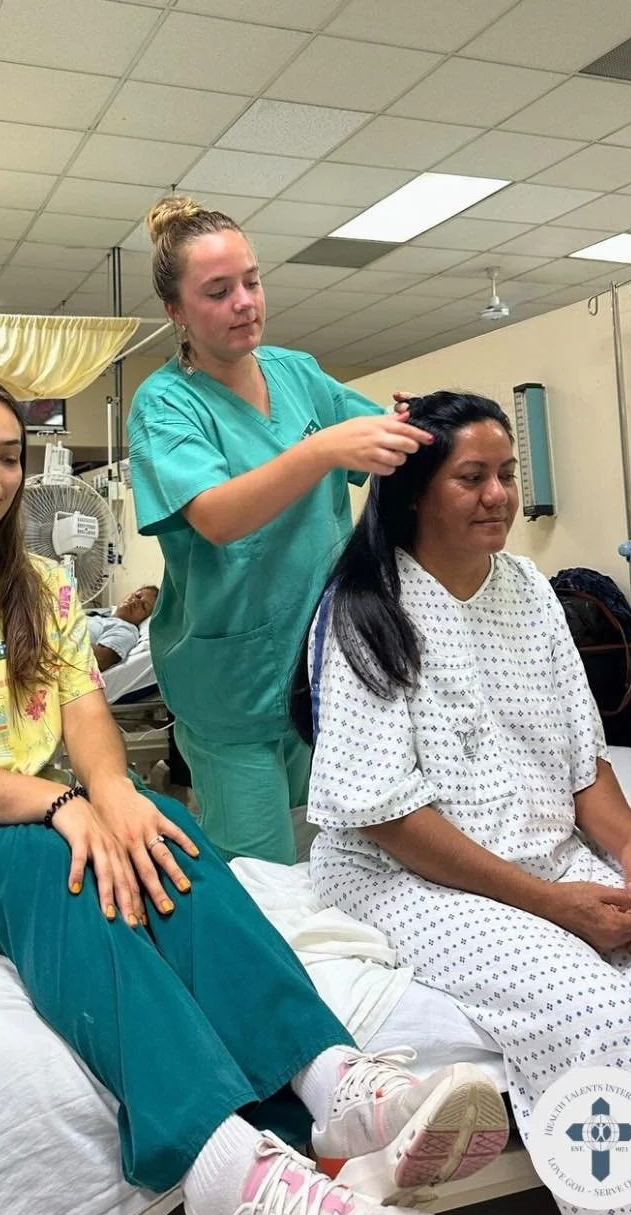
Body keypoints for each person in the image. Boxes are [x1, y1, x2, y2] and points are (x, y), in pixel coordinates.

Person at [0, 365, 507, 1215]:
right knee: (48, 857)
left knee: (162, 824)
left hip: (17, 816)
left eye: (8, 457)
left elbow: (87, 714)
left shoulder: (40, 587)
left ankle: (328, 1084)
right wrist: (63, 806)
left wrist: (116, 791)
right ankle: (217, 1165)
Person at [295, 390, 631, 1215]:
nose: (499, 495)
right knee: (594, 1010)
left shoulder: (527, 588)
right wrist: (557, 907)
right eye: (472, 477)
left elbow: (581, 762)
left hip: (542, 856)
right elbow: (387, 816)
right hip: (404, 875)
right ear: (413, 493)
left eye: (508, 474)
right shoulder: (366, 610)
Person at [126, 197, 431, 865]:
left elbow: (385, 437)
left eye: (252, 281)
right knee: (263, 873)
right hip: (229, 680)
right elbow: (215, 515)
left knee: (333, 858)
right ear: (176, 311)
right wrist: (321, 450)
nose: (245, 302)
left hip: (323, 670)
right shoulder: (166, 403)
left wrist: (429, 426)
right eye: (217, 291)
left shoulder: (298, 374)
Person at [87, 584, 158, 671]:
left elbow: (102, 659)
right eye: (137, 596)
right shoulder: (100, 618)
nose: (135, 601)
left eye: (144, 606)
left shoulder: (126, 630)